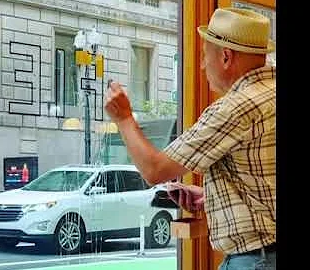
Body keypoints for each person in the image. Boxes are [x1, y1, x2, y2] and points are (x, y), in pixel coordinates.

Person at [104, 7, 276, 270]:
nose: (202, 65)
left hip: (256, 260)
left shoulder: (235, 107)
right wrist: (214, 195)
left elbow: (154, 169)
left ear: (226, 57)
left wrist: (124, 118)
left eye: (205, 55)